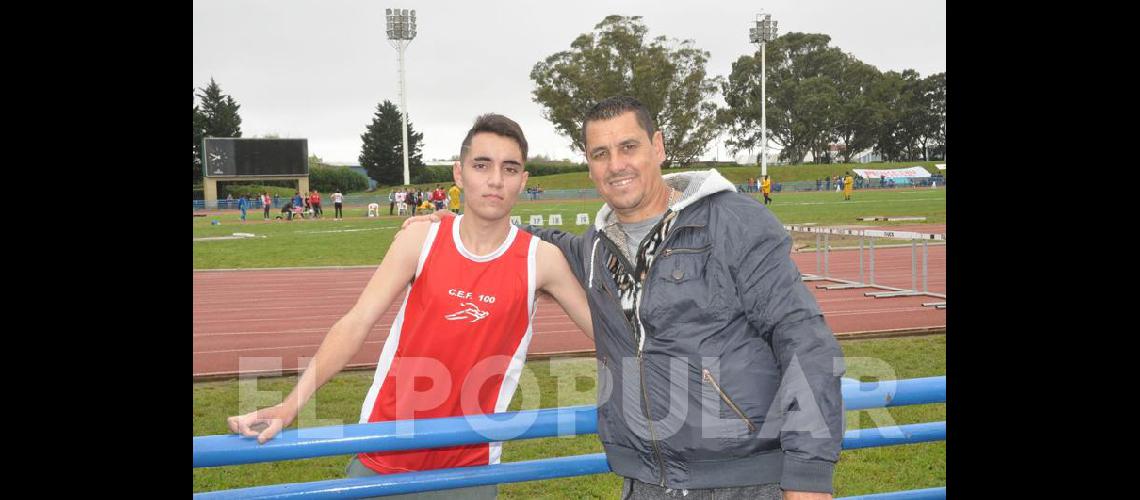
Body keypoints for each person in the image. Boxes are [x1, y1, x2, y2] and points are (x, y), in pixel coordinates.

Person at [405, 97, 844, 499]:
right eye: (601, 154)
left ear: (658, 147)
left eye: (628, 147)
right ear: (590, 165)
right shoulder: (596, 246)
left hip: (743, 482)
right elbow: (541, 243)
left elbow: (805, 341)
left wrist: (808, 473)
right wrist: (460, 224)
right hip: (644, 483)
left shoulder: (733, 222)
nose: (616, 165)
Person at [226, 114, 593, 497]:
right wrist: (290, 404)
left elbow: (607, 334)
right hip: (385, 450)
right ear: (459, 173)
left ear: (523, 180)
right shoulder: (421, 239)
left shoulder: (541, 260)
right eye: (481, 165)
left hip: (470, 467)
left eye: (510, 168)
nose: (495, 179)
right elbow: (357, 322)